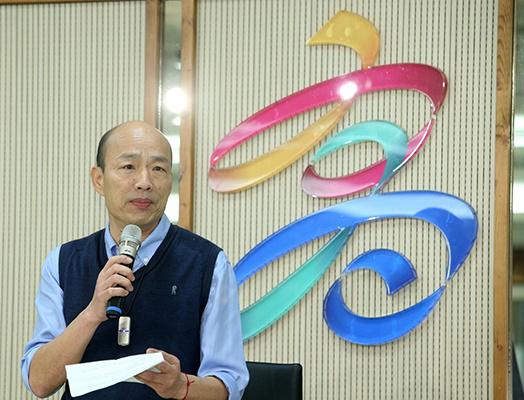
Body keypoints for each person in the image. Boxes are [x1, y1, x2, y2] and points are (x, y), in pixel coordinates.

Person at [21, 121, 249, 399]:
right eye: (129, 167)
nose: (144, 182)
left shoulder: (209, 264)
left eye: (158, 169)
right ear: (98, 179)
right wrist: (92, 313)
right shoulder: (63, 262)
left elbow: (228, 387)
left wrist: (180, 386)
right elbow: (40, 383)